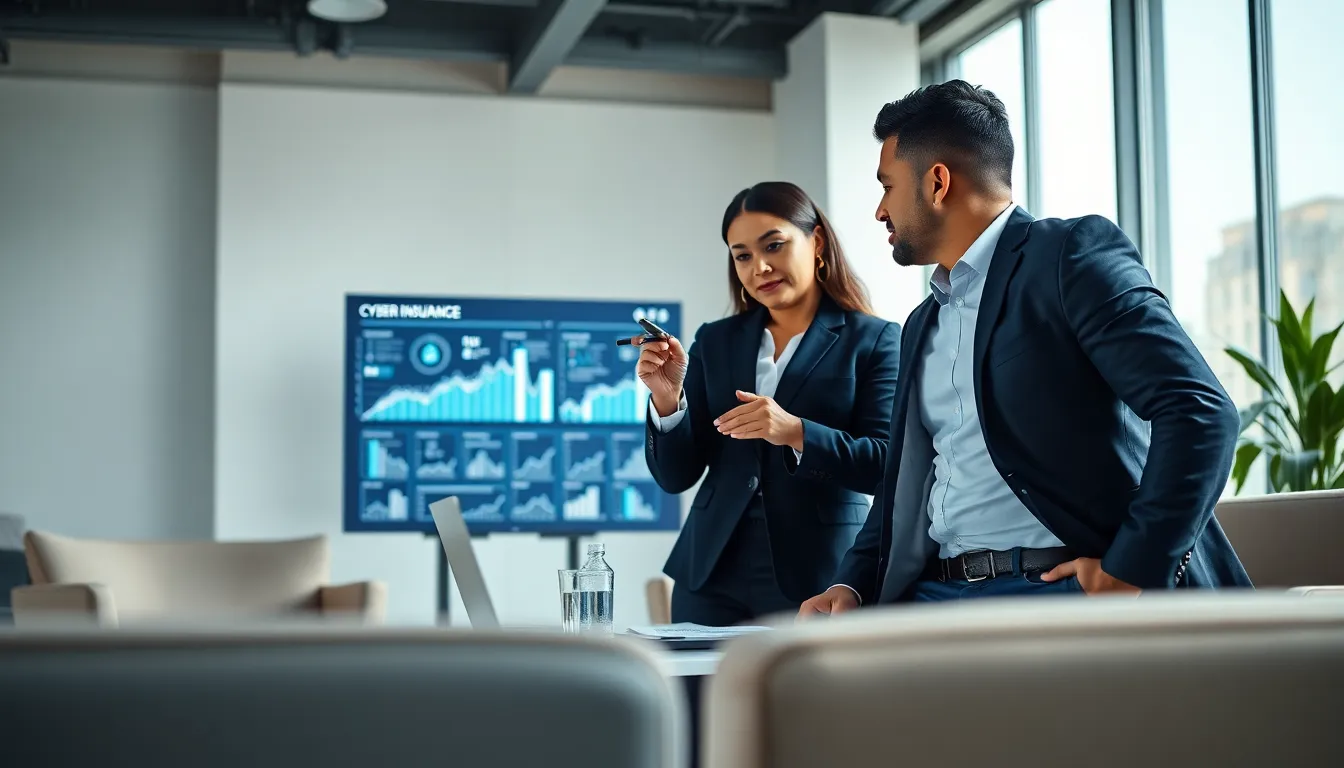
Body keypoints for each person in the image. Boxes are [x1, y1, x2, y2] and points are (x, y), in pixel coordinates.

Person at [799, 81, 1252, 616]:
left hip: (1053, 591)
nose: (880, 211)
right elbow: (909, 482)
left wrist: (1131, 572)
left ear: (938, 182)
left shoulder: (1068, 257)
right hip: (934, 598)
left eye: (888, 186)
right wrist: (850, 586)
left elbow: (1199, 411)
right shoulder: (923, 321)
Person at [637, 182, 901, 626]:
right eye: (742, 255)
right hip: (711, 574)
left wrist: (795, 432)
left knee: (804, 698)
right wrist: (668, 403)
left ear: (816, 242)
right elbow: (675, 477)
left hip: (818, 575)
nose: (759, 267)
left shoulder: (875, 340)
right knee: (700, 696)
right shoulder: (715, 341)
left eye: (774, 246)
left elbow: (886, 465)